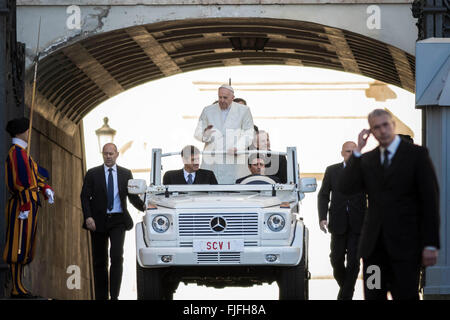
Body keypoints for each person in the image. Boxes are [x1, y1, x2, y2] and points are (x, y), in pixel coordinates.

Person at [338, 109, 440, 300]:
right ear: (372, 132)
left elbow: (430, 200)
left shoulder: (417, 155)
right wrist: (358, 150)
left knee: (406, 296)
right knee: (373, 296)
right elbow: (345, 187)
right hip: (373, 253)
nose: (382, 130)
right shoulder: (367, 160)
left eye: (385, 125)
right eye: (376, 127)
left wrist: (431, 244)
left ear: (392, 125)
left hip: (405, 250)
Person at [80, 143, 144, 300]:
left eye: (111, 153)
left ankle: (114, 296)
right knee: (99, 261)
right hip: (98, 221)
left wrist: (146, 207)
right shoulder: (93, 173)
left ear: (117, 154)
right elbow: (84, 197)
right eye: (105, 154)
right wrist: (88, 217)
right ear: (102, 154)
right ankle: (102, 297)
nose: (108, 156)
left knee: (116, 257)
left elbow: (132, 196)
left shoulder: (125, 173)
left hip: (118, 221)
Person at [4, 117, 55, 298]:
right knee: (18, 245)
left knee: (26, 245)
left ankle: (20, 286)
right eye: (26, 130)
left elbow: (35, 174)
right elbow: (22, 181)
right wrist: (26, 202)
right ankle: (16, 287)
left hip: (29, 203)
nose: (28, 133)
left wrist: (45, 188)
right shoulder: (16, 153)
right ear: (20, 132)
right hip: (23, 204)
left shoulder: (23, 153)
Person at [318, 141, 367, 300]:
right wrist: (322, 218)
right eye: (347, 151)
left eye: (354, 152)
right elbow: (324, 195)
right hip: (337, 223)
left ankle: (344, 297)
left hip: (358, 223)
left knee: (353, 263)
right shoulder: (332, 170)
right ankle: (348, 290)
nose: (350, 155)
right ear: (342, 153)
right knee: (336, 260)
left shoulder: (364, 171)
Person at [194, 85, 254, 184]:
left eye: (225, 98)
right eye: (220, 97)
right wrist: (206, 135)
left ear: (232, 98)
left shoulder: (244, 110)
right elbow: (197, 133)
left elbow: (249, 132)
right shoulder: (207, 110)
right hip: (212, 160)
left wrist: (238, 147)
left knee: (235, 191)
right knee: (211, 190)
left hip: (234, 157)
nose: (221, 100)